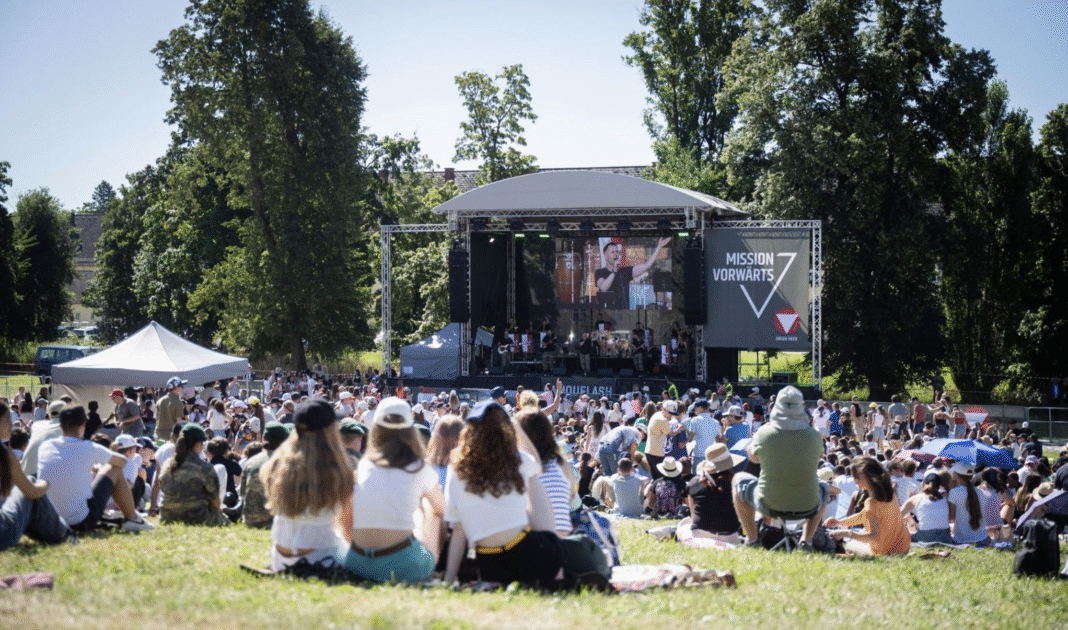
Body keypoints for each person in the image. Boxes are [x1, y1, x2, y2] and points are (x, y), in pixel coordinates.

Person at [443, 401, 562, 588]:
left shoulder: (457, 468)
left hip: (489, 563)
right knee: (533, 481)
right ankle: (558, 569)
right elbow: (537, 467)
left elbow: (458, 530)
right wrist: (516, 425)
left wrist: (450, 579)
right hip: (528, 554)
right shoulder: (520, 460)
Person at [338, 397, 444, 582]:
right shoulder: (418, 468)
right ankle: (433, 566)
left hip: (357, 562)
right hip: (404, 566)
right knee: (430, 509)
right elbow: (442, 509)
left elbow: (345, 520)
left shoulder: (364, 465)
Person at [732, 385, 828, 549]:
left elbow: (753, 459)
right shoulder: (814, 435)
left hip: (769, 504)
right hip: (807, 505)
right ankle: (806, 540)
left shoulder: (764, 432)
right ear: (801, 407)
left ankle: (752, 539)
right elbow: (817, 458)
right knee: (824, 487)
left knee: (738, 479)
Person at [262, 399, 352, 571]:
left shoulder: (277, 464)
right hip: (321, 558)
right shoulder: (337, 468)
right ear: (329, 430)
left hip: (281, 558)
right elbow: (346, 522)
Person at [37, 406, 154, 533]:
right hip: (79, 521)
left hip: (52, 520)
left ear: (60, 426)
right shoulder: (88, 447)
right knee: (114, 470)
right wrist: (102, 467)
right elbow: (122, 461)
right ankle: (132, 518)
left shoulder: (45, 447)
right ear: (83, 426)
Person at [1, 401, 76, 550]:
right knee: (32, 482)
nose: (12, 424)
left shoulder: (38, 426)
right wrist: (45, 483)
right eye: (7, 420)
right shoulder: (4, 454)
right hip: (4, 535)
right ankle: (65, 534)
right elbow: (32, 492)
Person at [825, 457, 911, 555]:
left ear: (865, 477)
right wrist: (838, 522)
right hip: (903, 548)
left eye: (856, 477)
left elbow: (873, 536)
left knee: (850, 545)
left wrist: (845, 533)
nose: (855, 481)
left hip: (884, 552)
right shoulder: (891, 495)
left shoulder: (871, 502)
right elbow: (863, 516)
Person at [159, 423, 229, 526]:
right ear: (198, 444)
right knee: (226, 520)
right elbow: (215, 503)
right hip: (197, 519)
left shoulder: (166, 464)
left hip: (167, 518)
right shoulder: (205, 468)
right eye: (202, 443)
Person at [685, 444, 745, 543]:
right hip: (730, 536)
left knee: (683, 524)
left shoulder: (694, 482)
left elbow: (693, 516)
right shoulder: (736, 482)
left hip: (700, 535)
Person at [594, 237, 670, 309]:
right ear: (605, 256)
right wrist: (614, 271)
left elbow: (647, 265)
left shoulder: (624, 271)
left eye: (617, 252)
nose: (615, 254)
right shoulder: (600, 272)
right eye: (612, 252)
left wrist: (659, 247)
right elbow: (603, 288)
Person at [240, 422, 289, 529]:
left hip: (250, 521)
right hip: (277, 523)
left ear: (264, 438)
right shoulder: (289, 463)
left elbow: (243, 493)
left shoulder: (251, 461)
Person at [900, 472, 953, 544]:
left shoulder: (916, 498)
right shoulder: (944, 499)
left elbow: (899, 515)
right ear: (939, 486)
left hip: (925, 537)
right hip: (945, 537)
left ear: (923, 484)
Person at [947, 462, 991, 546]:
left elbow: (951, 517)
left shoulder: (954, 492)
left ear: (956, 475)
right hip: (983, 538)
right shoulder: (981, 492)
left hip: (961, 539)